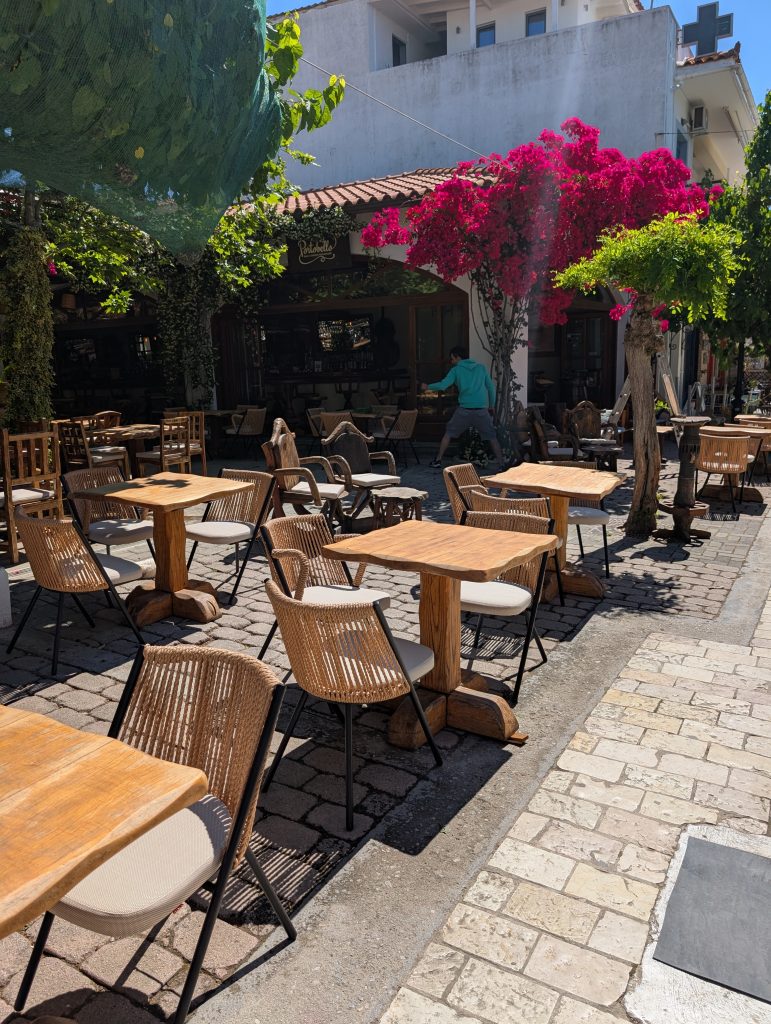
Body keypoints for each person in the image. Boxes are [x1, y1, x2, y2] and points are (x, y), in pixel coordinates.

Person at [421, 346, 504, 469]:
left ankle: (438, 460)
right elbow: (491, 388)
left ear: (458, 357)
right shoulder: (481, 368)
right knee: (492, 437)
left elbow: (443, 385)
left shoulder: (456, 370)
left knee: (448, 433)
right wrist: (491, 406)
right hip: (481, 410)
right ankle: (502, 464)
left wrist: (428, 387)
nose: (451, 362)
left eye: (452, 359)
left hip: (464, 410)